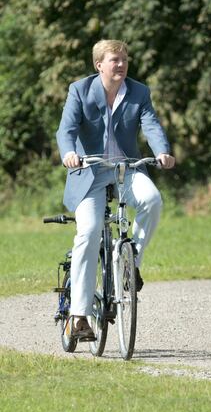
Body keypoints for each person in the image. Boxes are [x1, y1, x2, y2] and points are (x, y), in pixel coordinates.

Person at [57, 39, 175, 340]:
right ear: (100, 65)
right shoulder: (80, 90)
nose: (121, 64)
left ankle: (130, 261)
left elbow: (151, 126)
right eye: (114, 60)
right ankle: (79, 315)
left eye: (124, 59)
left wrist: (162, 151)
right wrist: (69, 153)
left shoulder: (139, 92)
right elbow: (66, 130)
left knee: (152, 200)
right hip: (90, 171)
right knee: (89, 231)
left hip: (127, 169)